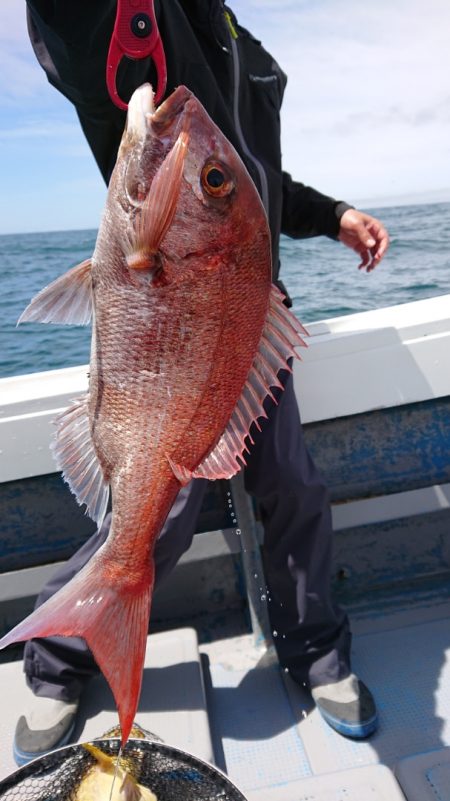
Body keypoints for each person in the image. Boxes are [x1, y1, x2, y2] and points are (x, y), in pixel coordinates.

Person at [15, 0, 389, 766]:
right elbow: (87, 47)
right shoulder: (156, 14)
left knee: (293, 484)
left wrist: (335, 214)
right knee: (160, 510)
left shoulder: (240, 43)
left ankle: (317, 653)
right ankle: (63, 658)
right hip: (177, 317)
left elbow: (261, 179)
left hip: (247, 313)